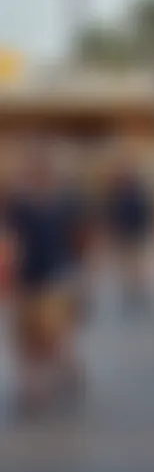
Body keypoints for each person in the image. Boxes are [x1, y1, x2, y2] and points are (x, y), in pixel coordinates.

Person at [5, 152, 86, 415]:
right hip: (30, 278)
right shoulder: (18, 204)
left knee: (51, 338)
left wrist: (81, 275)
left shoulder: (65, 202)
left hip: (55, 279)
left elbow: (77, 240)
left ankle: (52, 381)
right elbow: (12, 242)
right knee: (29, 339)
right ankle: (35, 387)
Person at [105, 162, 154, 310]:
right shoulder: (116, 194)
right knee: (126, 264)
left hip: (135, 233)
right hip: (123, 234)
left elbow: (146, 212)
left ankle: (137, 289)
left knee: (136, 264)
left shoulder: (138, 193)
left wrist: (145, 229)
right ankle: (130, 289)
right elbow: (111, 214)